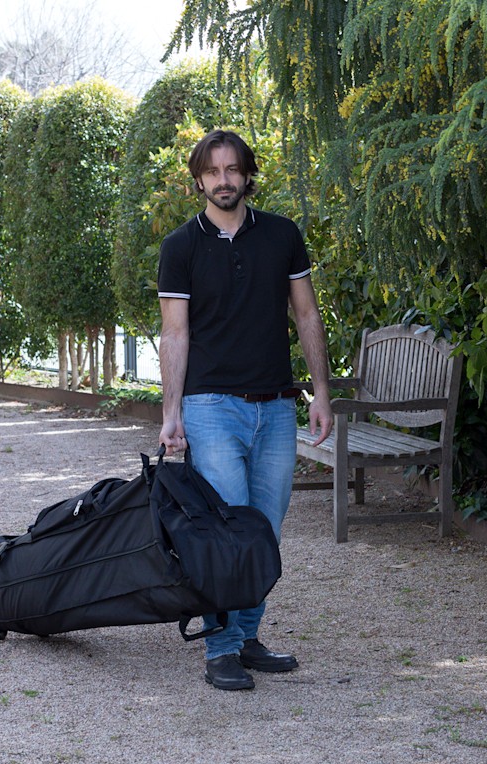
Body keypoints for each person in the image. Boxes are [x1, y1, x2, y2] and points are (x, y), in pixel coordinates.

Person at [157, 129, 333, 690]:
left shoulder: (282, 236)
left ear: (247, 174)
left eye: (233, 170)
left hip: (277, 406)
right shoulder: (180, 247)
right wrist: (172, 413)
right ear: (199, 180)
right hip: (210, 406)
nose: (224, 180)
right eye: (213, 172)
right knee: (226, 530)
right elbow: (175, 334)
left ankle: (249, 635)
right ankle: (222, 649)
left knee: (265, 532)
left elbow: (306, 317)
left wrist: (321, 393)